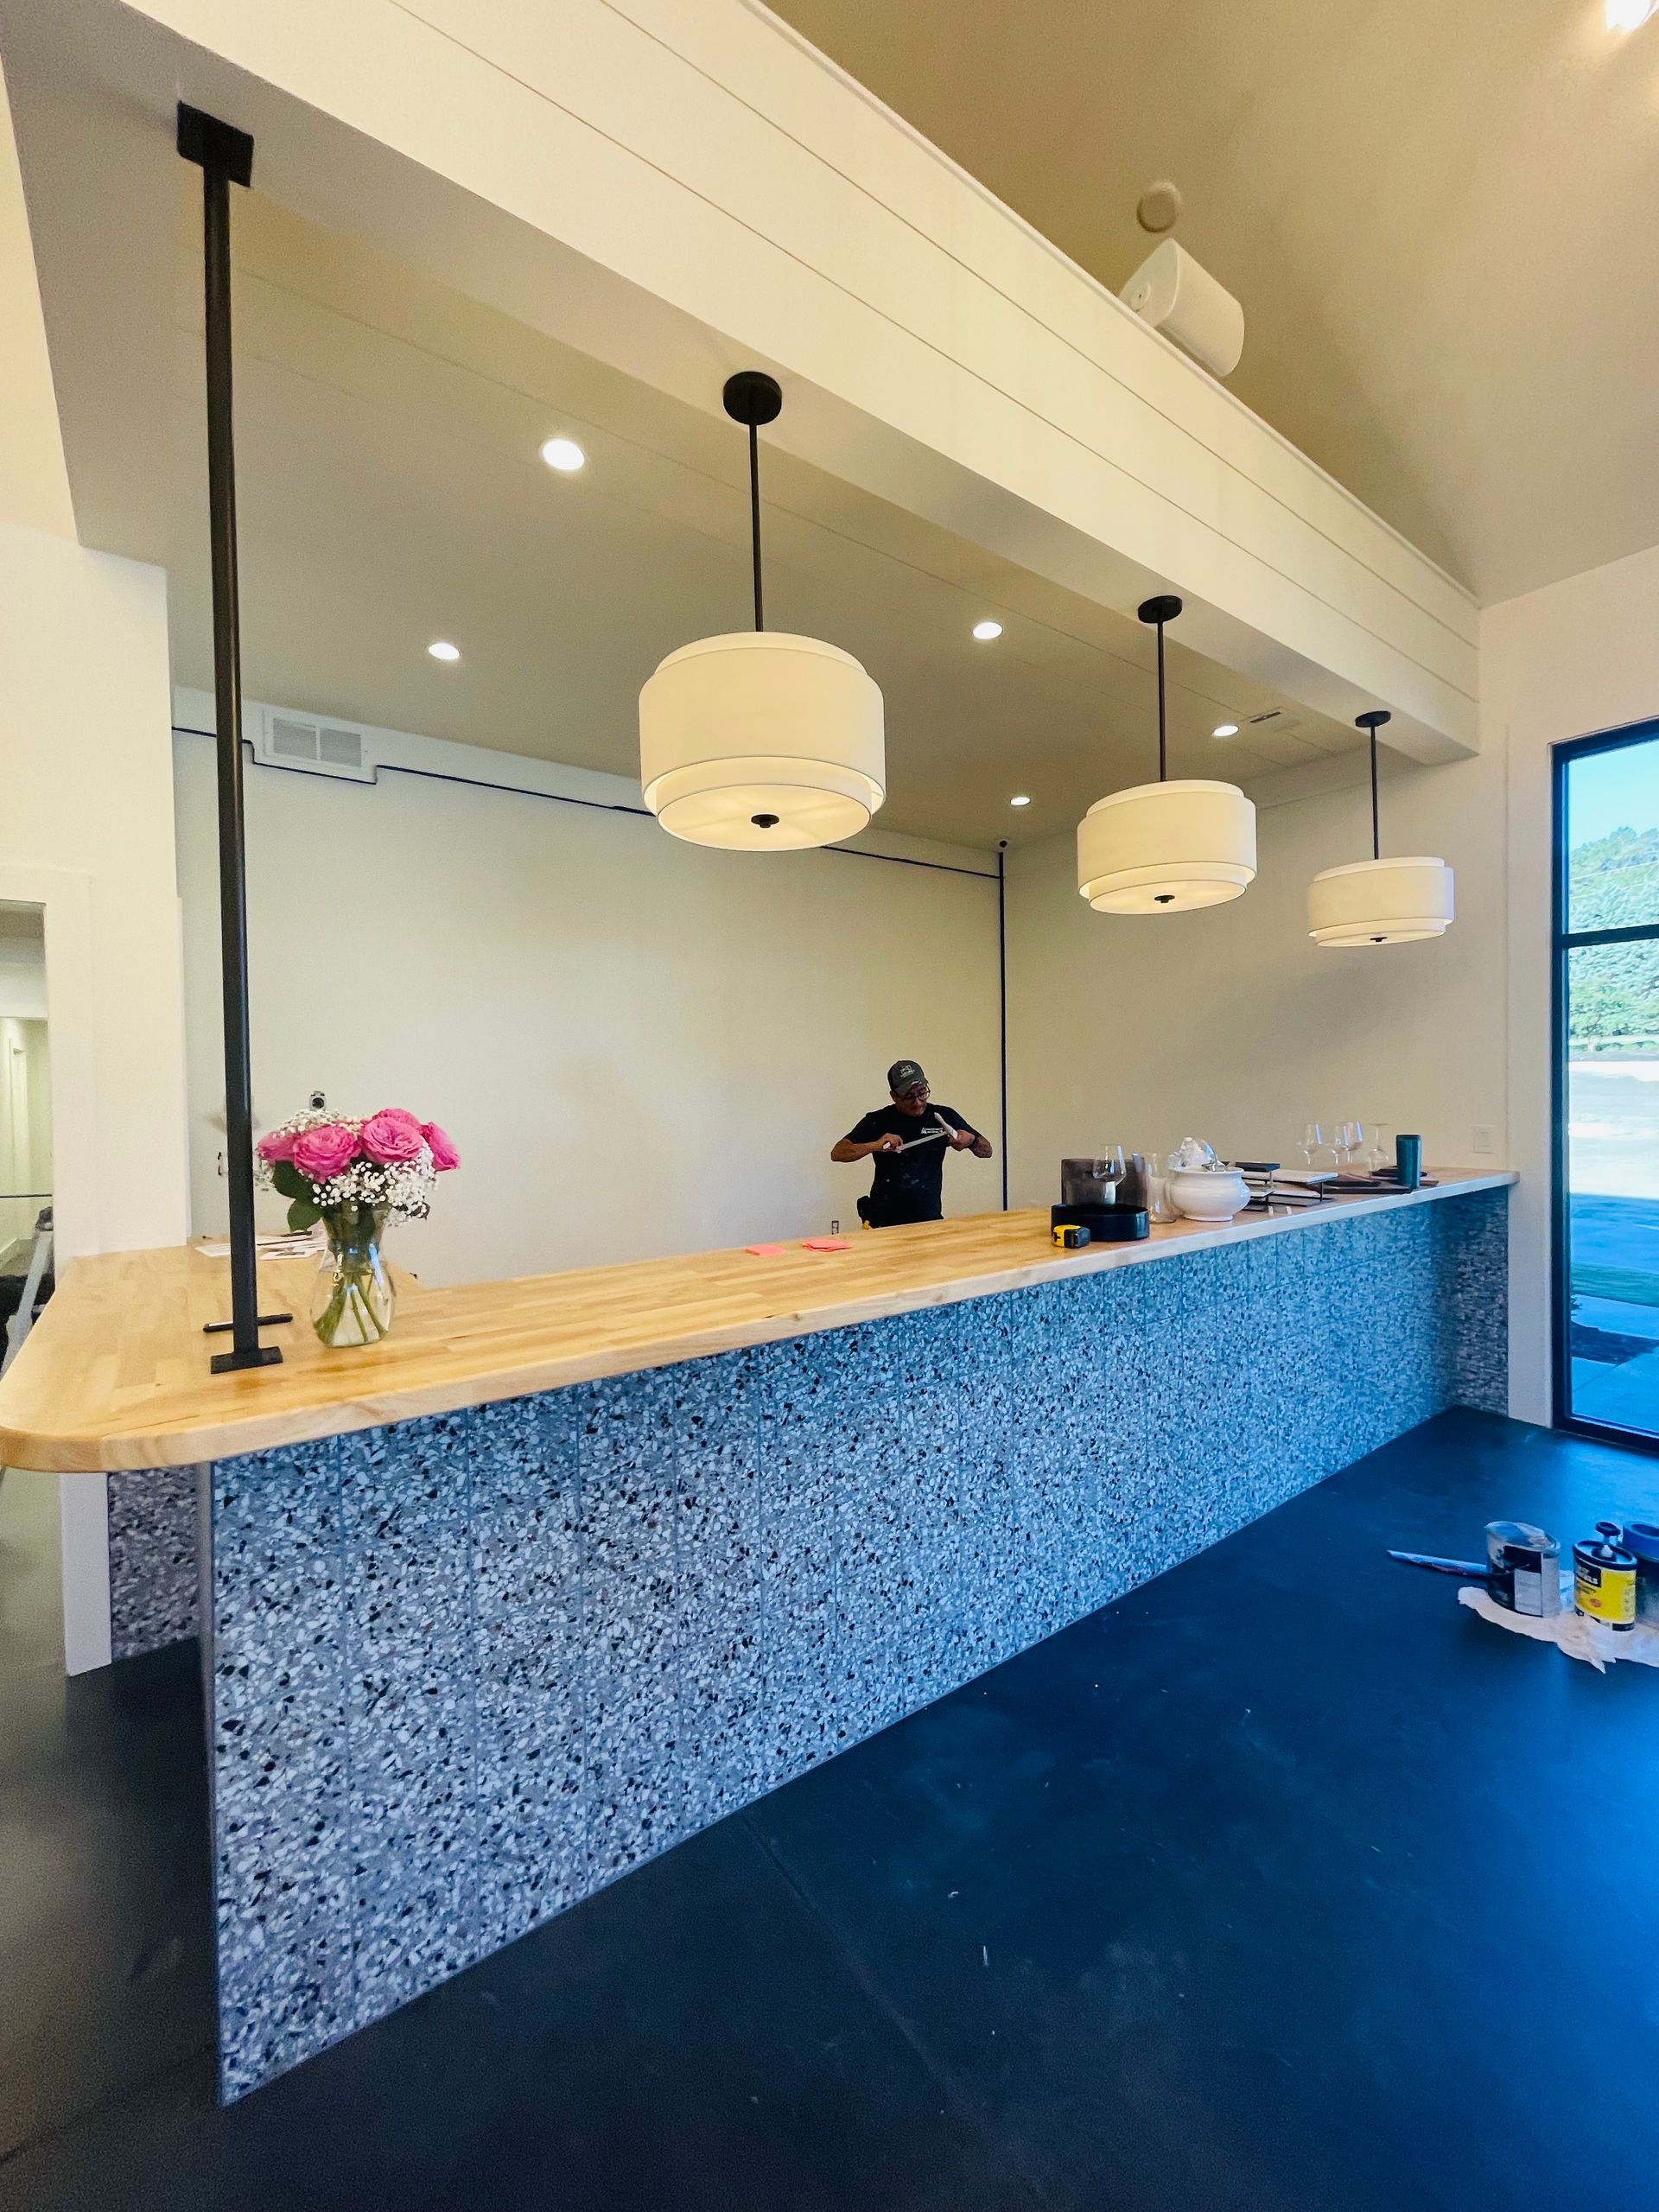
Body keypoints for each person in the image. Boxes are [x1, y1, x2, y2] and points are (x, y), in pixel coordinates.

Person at [831, 1059, 993, 1229]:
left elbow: (987, 1150)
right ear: (894, 1096)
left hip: (929, 1221)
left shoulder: (943, 1116)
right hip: (883, 1224)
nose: (917, 1102)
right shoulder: (878, 1120)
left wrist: (971, 1141)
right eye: (909, 1096)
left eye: (922, 1093)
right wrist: (875, 1145)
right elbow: (838, 1153)